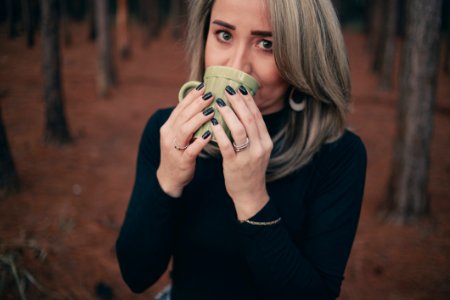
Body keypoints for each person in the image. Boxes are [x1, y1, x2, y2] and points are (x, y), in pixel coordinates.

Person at [116, 0, 366, 299]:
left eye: (266, 44)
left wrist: (251, 197)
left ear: (303, 55)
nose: (236, 66)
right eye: (224, 35)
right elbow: (136, 275)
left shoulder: (338, 155)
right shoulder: (168, 133)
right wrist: (168, 180)